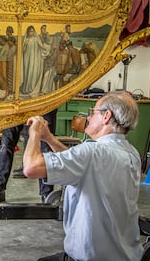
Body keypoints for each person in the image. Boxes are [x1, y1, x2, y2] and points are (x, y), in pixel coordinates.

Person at [23, 91, 143, 260]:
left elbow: (31, 168)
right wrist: (49, 139)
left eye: (92, 113)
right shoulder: (131, 153)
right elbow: (78, 165)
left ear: (106, 116)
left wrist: (34, 133)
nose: (88, 118)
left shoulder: (92, 151)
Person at [0, 110, 56, 203]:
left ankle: (47, 194)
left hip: (45, 101)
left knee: (46, 147)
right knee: (6, 145)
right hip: (17, 103)